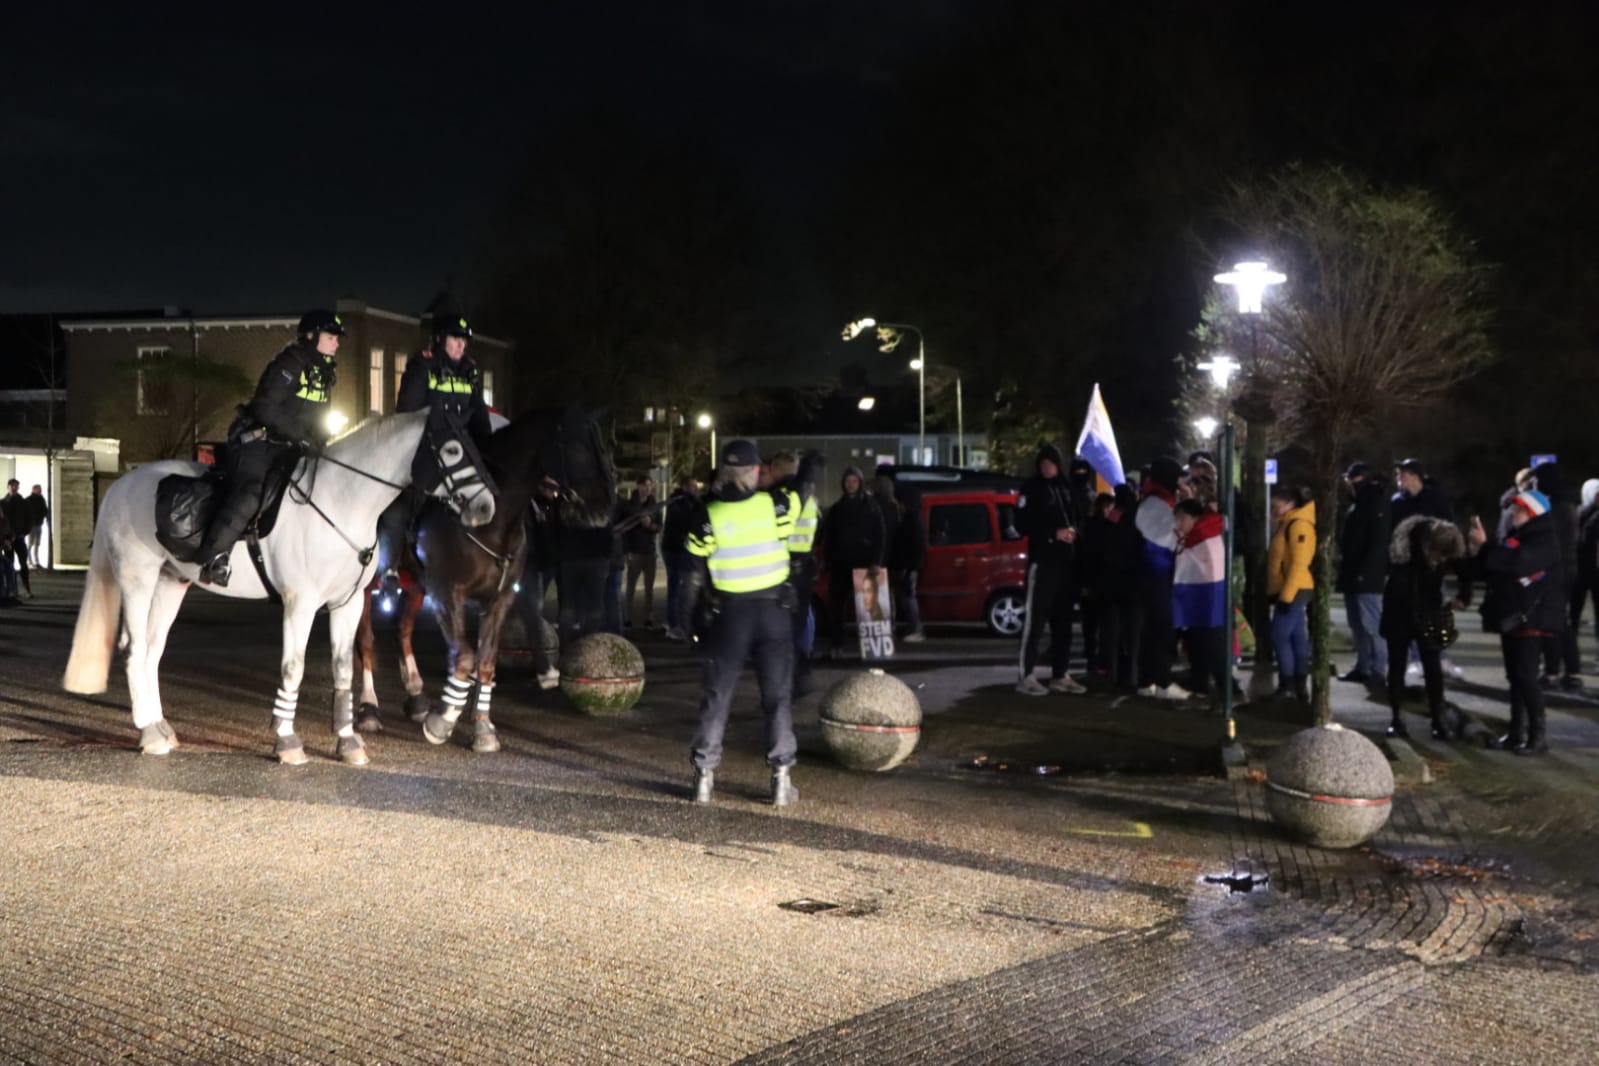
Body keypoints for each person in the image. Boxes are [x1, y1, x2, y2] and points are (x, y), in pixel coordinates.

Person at [681, 440, 799, 806]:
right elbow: (798, 496)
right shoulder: (775, 505)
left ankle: (704, 778)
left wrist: (689, 622)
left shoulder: (707, 515)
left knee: (718, 695)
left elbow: (692, 572)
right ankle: (781, 780)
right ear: (755, 471)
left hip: (730, 616)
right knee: (776, 697)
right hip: (773, 612)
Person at [197, 310, 342, 587]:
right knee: (254, 491)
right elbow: (265, 408)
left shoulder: (324, 373)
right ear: (311, 336)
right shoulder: (290, 363)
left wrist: (323, 441)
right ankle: (214, 557)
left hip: (290, 447)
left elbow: (320, 416)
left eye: (337, 339)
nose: (336, 343)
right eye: (331, 337)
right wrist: (301, 436)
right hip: (257, 442)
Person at [379, 313, 493, 580]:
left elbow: (480, 419)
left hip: (461, 455)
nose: (461, 345)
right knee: (398, 512)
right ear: (440, 339)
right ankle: (387, 569)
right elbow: (407, 413)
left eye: (464, 340)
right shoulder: (423, 366)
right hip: (425, 453)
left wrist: (488, 451)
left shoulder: (470, 372)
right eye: (455, 338)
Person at [1470, 490, 1565, 755]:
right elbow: (1496, 567)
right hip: (1515, 616)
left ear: (1533, 513)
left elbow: (1515, 565)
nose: (1514, 513)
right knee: (1515, 677)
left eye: (1520, 509)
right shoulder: (1519, 536)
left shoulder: (1544, 540)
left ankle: (1537, 736)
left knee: (1526, 676)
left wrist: (1486, 547)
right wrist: (1478, 550)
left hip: (1532, 618)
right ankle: (1516, 733)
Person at [1379, 515, 1466, 739]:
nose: (1442, 560)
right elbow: (1403, 586)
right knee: (1400, 665)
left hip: (1426, 610)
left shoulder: (1438, 544)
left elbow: (1462, 568)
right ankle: (1399, 718)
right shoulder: (1408, 552)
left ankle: (1434, 718)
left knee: (1430, 667)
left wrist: (1463, 595)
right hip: (1402, 611)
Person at [1015, 444, 1085, 695]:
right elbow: (1022, 524)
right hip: (1043, 562)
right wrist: (1052, 534)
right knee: (1035, 620)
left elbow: (1078, 517)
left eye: (1051, 464)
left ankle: (1060, 673)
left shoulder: (1066, 488)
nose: (1047, 468)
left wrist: (1074, 533)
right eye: (1043, 464)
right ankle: (1026, 675)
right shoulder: (1031, 489)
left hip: (1066, 564)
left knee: (1063, 621)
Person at [1135, 457, 1190, 700]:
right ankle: (1162, 681)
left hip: (1152, 574)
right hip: (1158, 574)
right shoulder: (1157, 504)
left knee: (1153, 629)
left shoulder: (1153, 501)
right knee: (1163, 628)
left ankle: (1147, 680)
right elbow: (1170, 538)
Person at [768, 451, 823, 693]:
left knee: (783, 628)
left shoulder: (783, 496)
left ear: (777, 469)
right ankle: (801, 673)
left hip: (785, 568)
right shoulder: (809, 496)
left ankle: (791, 679)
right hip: (805, 567)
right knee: (799, 624)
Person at [821, 466, 886, 657]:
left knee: (869, 607)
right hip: (840, 565)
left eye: (854, 481)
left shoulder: (871, 506)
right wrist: (828, 561)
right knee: (837, 608)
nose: (851, 485)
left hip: (864, 564)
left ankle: (873, 648)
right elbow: (830, 537)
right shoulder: (837, 508)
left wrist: (876, 561)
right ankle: (836, 645)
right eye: (848, 481)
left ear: (860, 483)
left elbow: (880, 535)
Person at [1337, 462, 1392, 686]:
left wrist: (1366, 572)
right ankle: (1364, 666)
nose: (1348, 483)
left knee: (1371, 624)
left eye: (1351, 479)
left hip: (1367, 576)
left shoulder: (1375, 503)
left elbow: (1378, 543)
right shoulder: (1359, 504)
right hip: (1354, 573)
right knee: (1358, 624)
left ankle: (1378, 668)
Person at [1530, 461, 1582, 690]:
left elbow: (1548, 541)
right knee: (1561, 620)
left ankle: (1553, 671)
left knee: (1551, 620)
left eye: (1536, 480)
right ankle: (1571, 671)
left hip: (1553, 570)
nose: (1533, 484)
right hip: (1565, 569)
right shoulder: (1566, 505)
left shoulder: (1554, 509)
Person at [1172, 498, 1228, 707]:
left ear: (1195, 517)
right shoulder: (1205, 534)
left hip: (1204, 599)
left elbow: (1191, 566)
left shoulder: (1200, 538)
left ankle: (1229, 689)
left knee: (1210, 646)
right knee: (1199, 644)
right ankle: (1201, 684)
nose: (1178, 524)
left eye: (1182, 519)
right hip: (1205, 598)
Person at [1267, 485, 1316, 702]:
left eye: (1276, 506)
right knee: (1296, 636)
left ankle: (1288, 684)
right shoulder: (1289, 523)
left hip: (1294, 588)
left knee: (1279, 636)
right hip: (1293, 587)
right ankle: (1298, 685)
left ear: (1290, 504)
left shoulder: (1297, 525)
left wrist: (1285, 596)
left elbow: (1299, 564)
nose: (1273, 510)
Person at [659, 474, 702, 641]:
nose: (695, 489)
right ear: (685, 486)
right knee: (675, 586)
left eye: (696, 486)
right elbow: (683, 520)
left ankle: (674, 621)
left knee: (677, 586)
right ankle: (673, 623)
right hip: (674, 549)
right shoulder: (678, 501)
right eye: (693, 486)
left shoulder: (689, 501)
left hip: (677, 548)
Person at [618, 476, 662, 629]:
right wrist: (627, 551)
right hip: (634, 551)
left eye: (650, 485)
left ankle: (648, 617)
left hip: (649, 552)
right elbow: (623, 530)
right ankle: (627, 617)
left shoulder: (654, 506)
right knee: (630, 587)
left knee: (649, 588)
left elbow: (659, 527)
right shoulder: (629, 505)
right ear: (638, 486)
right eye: (645, 485)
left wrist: (650, 525)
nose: (647, 488)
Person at [1578, 478, 1599, 652]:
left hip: (1596, 570)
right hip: (1580, 570)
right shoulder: (1578, 513)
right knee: (1572, 613)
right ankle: (1567, 655)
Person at [1, 480, 31, 597]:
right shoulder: (3, 503)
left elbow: (29, 519)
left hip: (19, 537)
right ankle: (12, 589)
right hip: (7, 539)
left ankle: (26, 588)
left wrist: (25, 532)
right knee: (9, 564)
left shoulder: (23, 503)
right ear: (8, 487)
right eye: (12, 486)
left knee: (23, 563)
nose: (14, 488)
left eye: (16, 486)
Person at [25, 484, 48, 569]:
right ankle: (30, 561)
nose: (40, 491)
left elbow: (45, 510)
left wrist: (46, 517)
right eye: (38, 489)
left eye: (40, 489)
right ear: (33, 490)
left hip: (38, 524)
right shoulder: (29, 500)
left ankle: (36, 561)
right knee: (31, 543)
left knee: (37, 543)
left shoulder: (41, 499)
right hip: (32, 525)